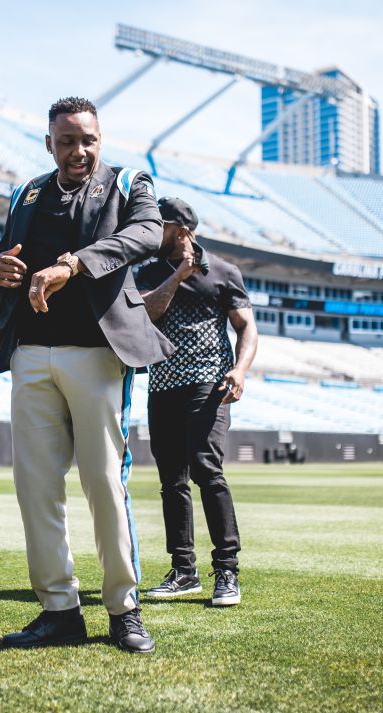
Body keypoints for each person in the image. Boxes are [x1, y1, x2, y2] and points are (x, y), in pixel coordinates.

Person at [0, 97, 174, 653]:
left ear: (99, 139)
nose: (78, 151)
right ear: (49, 144)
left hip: (97, 352)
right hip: (30, 352)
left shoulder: (131, 183)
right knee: (34, 486)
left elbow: (146, 236)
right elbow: (0, 263)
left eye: (87, 140)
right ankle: (58, 609)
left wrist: (73, 264)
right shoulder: (27, 192)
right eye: (67, 141)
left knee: (105, 482)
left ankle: (123, 609)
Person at [135, 197, 257, 607]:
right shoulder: (147, 271)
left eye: (160, 224)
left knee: (206, 468)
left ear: (182, 230)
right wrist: (179, 276)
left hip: (209, 382)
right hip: (162, 384)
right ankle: (183, 571)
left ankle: (227, 571)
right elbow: (147, 316)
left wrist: (239, 370)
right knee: (172, 479)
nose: (153, 231)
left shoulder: (223, 271)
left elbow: (247, 328)